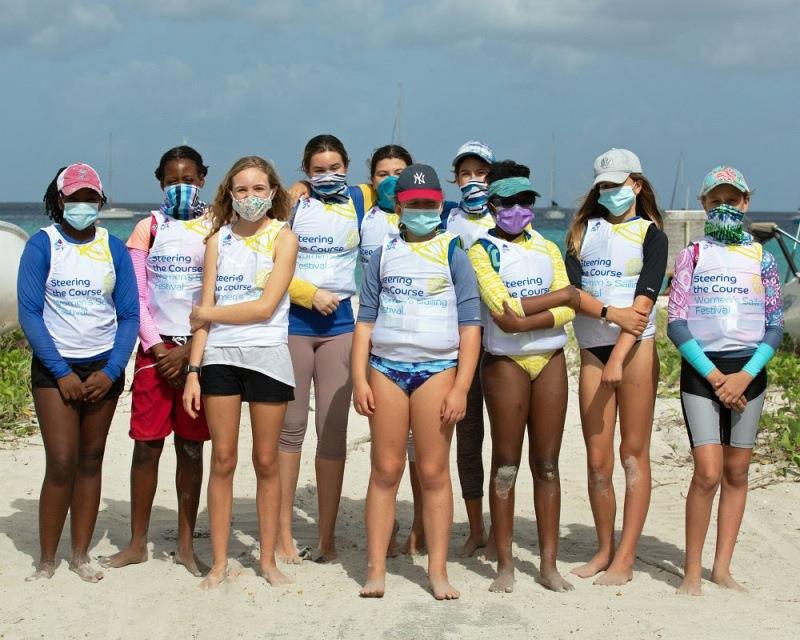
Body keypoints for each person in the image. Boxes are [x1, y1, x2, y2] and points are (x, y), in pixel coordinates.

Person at [353, 163, 481, 600]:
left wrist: (462, 386)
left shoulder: (453, 251)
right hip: (386, 370)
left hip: (438, 372)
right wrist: (359, 379)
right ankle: (375, 570)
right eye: (414, 205)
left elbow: (470, 327)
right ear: (400, 208)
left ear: (440, 206)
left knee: (432, 470)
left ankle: (438, 571)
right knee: (386, 469)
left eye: (430, 204)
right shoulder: (384, 252)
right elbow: (365, 322)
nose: (422, 211)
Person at [17, 163, 139, 582]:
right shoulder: (42, 245)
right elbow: (30, 314)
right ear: (59, 200)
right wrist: (60, 371)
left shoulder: (114, 248)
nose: (82, 205)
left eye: (90, 197)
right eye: (74, 197)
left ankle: (80, 555)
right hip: (57, 369)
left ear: (100, 201)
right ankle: (47, 560)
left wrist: (111, 370)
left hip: (104, 368)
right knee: (62, 460)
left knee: (91, 459)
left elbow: (128, 315)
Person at [182, 156, 298, 588]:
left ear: (273, 193)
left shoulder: (283, 238)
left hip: (267, 354)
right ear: (229, 195)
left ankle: (267, 561)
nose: (250, 197)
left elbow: (266, 307)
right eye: (242, 190)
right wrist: (193, 370)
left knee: (266, 460)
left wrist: (207, 312)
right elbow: (202, 322)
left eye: (258, 189)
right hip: (219, 358)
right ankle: (218, 563)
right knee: (223, 459)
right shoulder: (218, 241)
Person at [668, 166, 783, 595]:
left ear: (746, 203)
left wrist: (745, 375)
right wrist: (718, 378)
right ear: (703, 205)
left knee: (737, 472)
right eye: (716, 201)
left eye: (732, 201)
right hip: (704, 373)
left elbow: (774, 327)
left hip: (749, 372)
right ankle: (692, 571)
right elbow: (676, 324)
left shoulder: (764, 259)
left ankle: (723, 567)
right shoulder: (692, 255)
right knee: (708, 473)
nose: (724, 208)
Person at [468, 160, 578, 593]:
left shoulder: (547, 248)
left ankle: (549, 564)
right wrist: (556, 302)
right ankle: (505, 564)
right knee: (507, 463)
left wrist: (532, 314)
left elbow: (569, 307)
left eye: (525, 201)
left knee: (547, 465)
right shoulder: (481, 249)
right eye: (508, 202)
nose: (517, 209)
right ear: (493, 205)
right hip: (505, 363)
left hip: (549, 360)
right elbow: (501, 308)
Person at [102, 146, 210, 576]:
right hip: (155, 352)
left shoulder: (217, 228)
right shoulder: (147, 228)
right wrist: (160, 348)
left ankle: (186, 544)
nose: (179, 186)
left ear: (202, 178)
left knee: (191, 447)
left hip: (200, 352)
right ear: (160, 183)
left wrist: (189, 350)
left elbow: (217, 293)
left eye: (187, 179)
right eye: (170, 181)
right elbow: (138, 296)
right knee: (147, 446)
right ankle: (136, 542)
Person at [565, 148, 668, 585]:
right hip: (592, 349)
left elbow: (643, 305)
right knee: (597, 460)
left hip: (636, 350)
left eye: (619, 184)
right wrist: (610, 314)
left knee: (632, 455)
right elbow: (573, 295)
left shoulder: (652, 235)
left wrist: (620, 356)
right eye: (604, 185)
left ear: (637, 185)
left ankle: (626, 556)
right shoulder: (579, 234)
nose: (611, 192)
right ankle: (604, 548)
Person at [277, 135, 365, 564]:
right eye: (318, 169)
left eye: (335, 167)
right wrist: (308, 294)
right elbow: (266, 262)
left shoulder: (362, 202)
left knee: (332, 433)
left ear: (347, 166)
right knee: (289, 430)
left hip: (342, 328)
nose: (328, 175)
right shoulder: (293, 204)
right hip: (292, 324)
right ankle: (283, 535)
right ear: (306, 171)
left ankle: (327, 536)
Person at [444, 140, 496, 556]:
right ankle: (475, 527)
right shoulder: (445, 217)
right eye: (466, 174)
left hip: (504, 340)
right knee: (469, 435)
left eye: (481, 174)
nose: (473, 181)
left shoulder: (507, 216)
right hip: (462, 337)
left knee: (506, 438)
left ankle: (501, 525)